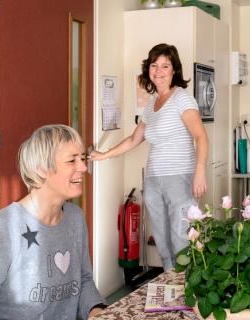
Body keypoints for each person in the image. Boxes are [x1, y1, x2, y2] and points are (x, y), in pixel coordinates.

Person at [0, 125, 106, 319]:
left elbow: (84, 280)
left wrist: (95, 310)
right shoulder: (7, 224)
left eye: (82, 158)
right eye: (72, 160)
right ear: (42, 169)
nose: (83, 167)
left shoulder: (75, 218)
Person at [90, 43, 208, 271]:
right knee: (162, 240)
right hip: (154, 179)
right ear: (148, 69)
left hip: (179, 177)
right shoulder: (152, 104)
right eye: (154, 65)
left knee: (181, 238)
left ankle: (188, 294)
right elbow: (135, 139)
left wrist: (200, 171)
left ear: (175, 70)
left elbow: (201, 137)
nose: (159, 71)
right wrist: (105, 155)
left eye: (165, 66)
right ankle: (169, 287)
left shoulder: (182, 99)